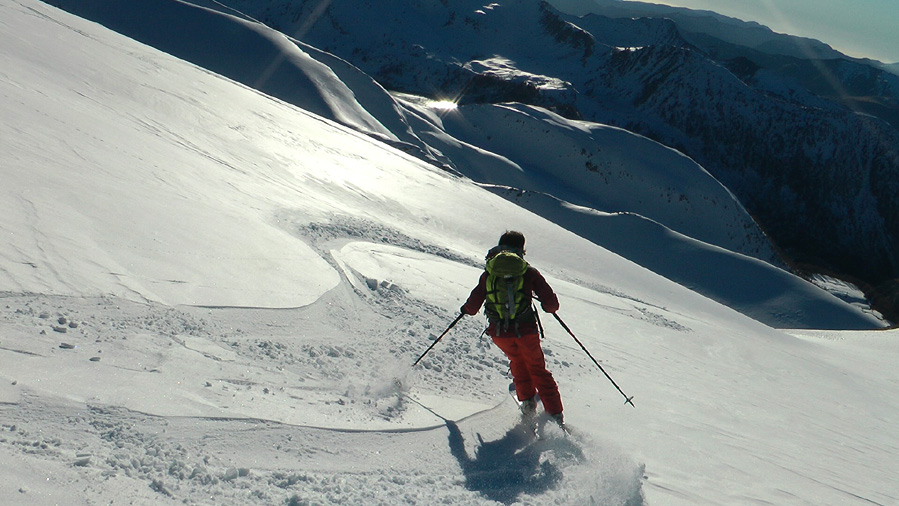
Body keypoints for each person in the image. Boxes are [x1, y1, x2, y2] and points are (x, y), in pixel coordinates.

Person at [461, 231, 564, 426]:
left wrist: (464, 309)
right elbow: (552, 305)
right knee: (537, 369)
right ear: (521, 249)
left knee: (518, 363)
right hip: (526, 331)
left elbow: (473, 306)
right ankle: (555, 417)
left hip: (500, 333)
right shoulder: (528, 271)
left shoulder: (490, 271)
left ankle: (527, 406)